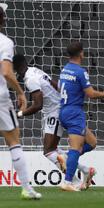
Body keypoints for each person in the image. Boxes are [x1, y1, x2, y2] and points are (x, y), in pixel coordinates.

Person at [13, 54, 94, 189]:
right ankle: (85, 170)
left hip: (54, 112)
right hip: (59, 108)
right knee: (53, 150)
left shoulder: (30, 79)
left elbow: (38, 105)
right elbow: (55, 85)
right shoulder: (35, 70)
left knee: (49, 151)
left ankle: (73, 180)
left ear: (15, 67)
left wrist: (20, 114)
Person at [58, 41, 104, 192]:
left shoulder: (64, 70)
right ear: (81, 54)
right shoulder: (80, 71)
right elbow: (90, 94)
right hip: (74, 113)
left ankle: (69, 158)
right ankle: (67, 181)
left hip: (64, 110)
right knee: (76, 149)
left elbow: (60, 87)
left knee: (91, 142)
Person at [0, 6, 41, 199]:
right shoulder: (5, 42)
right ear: (3, 21)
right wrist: (20, 92)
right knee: (14, 140)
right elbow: (7, 72)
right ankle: (27, 188)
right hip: (0, 99)